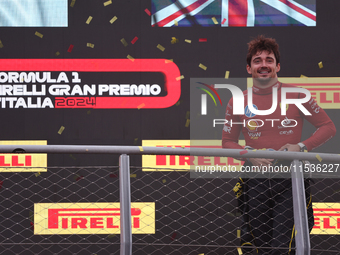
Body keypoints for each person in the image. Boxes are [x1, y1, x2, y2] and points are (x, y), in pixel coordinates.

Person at [222, 35, 336, 254]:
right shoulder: (237, 99)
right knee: (259, 245)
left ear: (278, 66)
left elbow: (328, 127)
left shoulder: (297, 95)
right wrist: (249, 155)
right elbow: (227, 142)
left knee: (284, 245)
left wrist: (301, 147)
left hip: (291, 179)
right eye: (257, 60)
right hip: (254, 179)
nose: (263, 64)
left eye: (269, 60)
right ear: (249, 68)